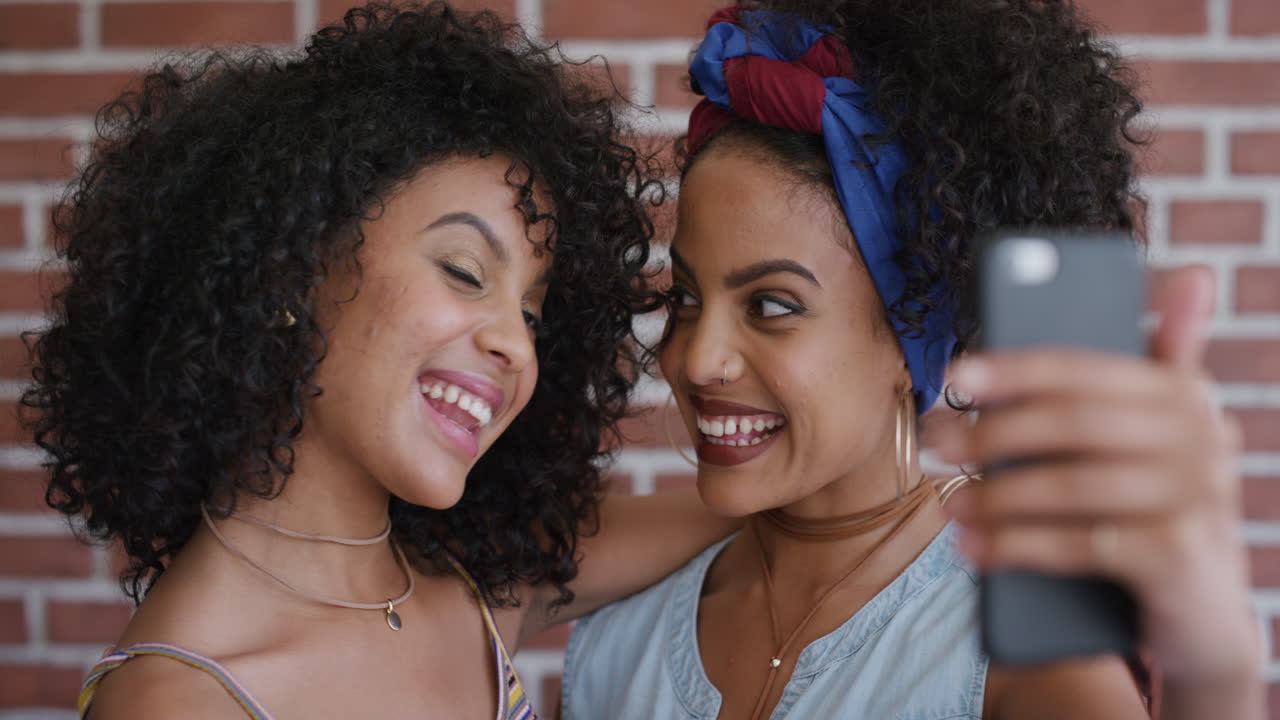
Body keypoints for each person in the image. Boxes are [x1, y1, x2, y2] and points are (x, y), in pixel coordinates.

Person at [21, 3, 737, 718]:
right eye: (463, 271)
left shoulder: (477, 583)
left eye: (530, 313)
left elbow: (749, 509)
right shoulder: (182, 702)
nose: (517, 346)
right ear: (288, 273)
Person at [561, 2, 1262, 719]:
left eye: (771, 306)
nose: (695, 359)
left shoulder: (1010, 657)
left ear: (913, 334)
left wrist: (1216, 671)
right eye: (684, 297)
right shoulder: (621, 634)